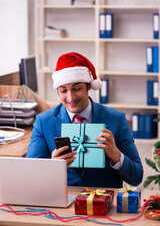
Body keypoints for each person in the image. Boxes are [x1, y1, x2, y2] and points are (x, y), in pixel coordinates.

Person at [26, 52, 143, 188]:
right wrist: (52, 166)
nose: (70, 97)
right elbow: (30, 176)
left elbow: (137, 177)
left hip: (104, 202)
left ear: (88, 86)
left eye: (76, 88)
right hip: (62, 202)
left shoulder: (117, 119)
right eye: (63, 91)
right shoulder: (43, 122)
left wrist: (117, 156)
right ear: (57, 92)